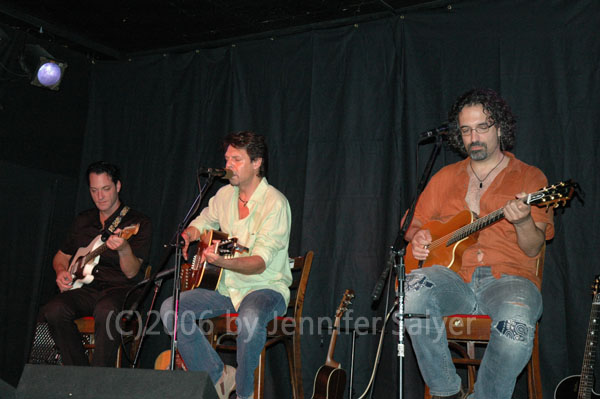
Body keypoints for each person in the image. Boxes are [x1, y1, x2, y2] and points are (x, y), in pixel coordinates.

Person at [403, 88, 554, 399]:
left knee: (515, 328)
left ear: (499, 127)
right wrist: (417, 235)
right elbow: (412, 224)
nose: (474, 136)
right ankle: (447, 392)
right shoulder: (445, 177)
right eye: (466, 129)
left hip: (509, 279)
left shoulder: (529, 176)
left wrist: (523, 220)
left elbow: (532, 248)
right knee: (412, 290)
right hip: (452, 279)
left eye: (482, 127)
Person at [160, 131, 292, 399]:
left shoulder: (274, 204)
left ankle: (245, 394)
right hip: (227, 289)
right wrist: (189, 234)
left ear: (256, 163)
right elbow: (204, 220)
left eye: (236, 159)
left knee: (250, 318)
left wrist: (221, 261)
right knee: (171, 308)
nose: (228, 164)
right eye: (227, 158)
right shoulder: (224, 195)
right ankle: (218, 375)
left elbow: (258, 264)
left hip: (265, 288)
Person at [40, 161, 152, 367]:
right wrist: (61, 271)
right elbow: (61, 256)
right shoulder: (83, 220)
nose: (100, 196)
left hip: (122, 289)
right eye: (94, 190)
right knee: (53, 309)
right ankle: (79, 373)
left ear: (118, 186)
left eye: (106, 189)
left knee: (107, 310)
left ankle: (99, 379)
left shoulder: (138, 222)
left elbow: (132, 273)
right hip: (87, 289)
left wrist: (124, 249)